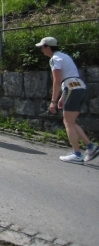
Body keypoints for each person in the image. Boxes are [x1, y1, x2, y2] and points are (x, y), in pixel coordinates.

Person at [37, 36, 98, 164]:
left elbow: (57, 80)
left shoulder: (54, 59)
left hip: (71, 89)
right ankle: (90, 147)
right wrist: (62, 97)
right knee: (71, 121)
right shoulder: (65, 56)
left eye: (42, 47)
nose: (41, 50)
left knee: (68, 122)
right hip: (79, 87)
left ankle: (77, 154)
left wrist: (53, 101)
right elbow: (69, 77)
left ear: (48, 47)